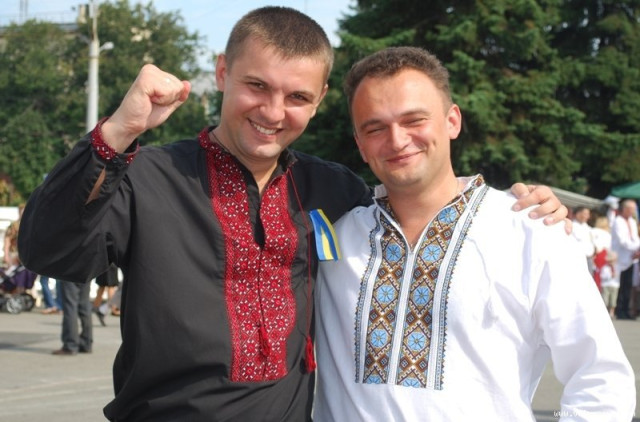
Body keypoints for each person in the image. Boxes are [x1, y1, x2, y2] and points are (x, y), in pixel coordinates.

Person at [18, 7, 567, 421]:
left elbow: (420, 206)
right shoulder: (148, 176)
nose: (274, 112)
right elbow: (49, 253)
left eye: (298, 97)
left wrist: (516, 210)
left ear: (320, 98)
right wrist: (119, 130)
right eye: (256, 86)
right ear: (222, 72)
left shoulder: (333, 189)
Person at [314, 47, 635, 421]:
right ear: (359, 143)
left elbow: (601, 380)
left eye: (414, 120)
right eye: (375, 128)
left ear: (452, 121)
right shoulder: (335, 236)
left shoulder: (530, 230)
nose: (397, 140)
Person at [611, 199, 640, 319]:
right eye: (631, 209)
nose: (633, 211)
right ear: (625, 209)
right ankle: (619, 310)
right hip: (619, 257)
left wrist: (637, 250)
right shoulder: (618, 221)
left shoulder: (632, 221)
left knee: (628, 284)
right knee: (620, 285)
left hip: (631, 257)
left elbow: (635, 237)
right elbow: (623, 241)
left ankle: (626, 310)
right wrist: (637, 248)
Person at [52, 279, 93, 355]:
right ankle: (86, 342)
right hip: (86, 273)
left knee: (70, 306)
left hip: (70, 273)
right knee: (84, 305)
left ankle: (70, 344)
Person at [571, 206, 595, 272]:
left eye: (588, 214)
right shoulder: (571, 226)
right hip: (577, 260)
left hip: (589, 259)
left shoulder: (588, 228)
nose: (588, 217)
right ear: (578, 214)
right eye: (585, 214)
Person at [600, 251, 619, 318]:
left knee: (613, 300)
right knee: (605, 299)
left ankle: (612, 312)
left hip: (615, 285)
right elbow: (602, 276)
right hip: (606, 285)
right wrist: (610, 275)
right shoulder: (604, 267)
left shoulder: (617, 267)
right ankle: (606, 312)